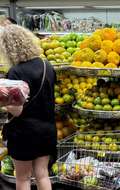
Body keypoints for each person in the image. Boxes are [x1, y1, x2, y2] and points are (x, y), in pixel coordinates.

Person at [0, 24, 57, 190]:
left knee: (23, 178)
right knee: (42, 174)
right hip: (47, 129)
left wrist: (3, 103)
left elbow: (17, 111)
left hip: (24, 132)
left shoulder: (15, 73)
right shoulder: (47, 65)